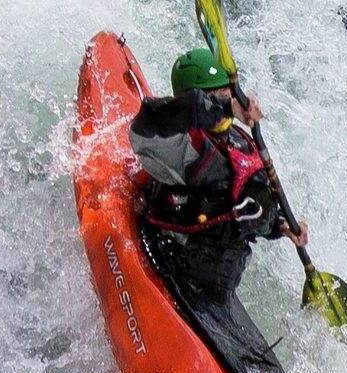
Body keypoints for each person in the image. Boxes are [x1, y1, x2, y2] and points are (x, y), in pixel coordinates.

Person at [129, 46, 304, 314]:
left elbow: (244, 209)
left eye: (228, 95)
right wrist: (225, 106)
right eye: (215, 100)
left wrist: (280, 226)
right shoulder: (180, 143)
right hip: (172, 263)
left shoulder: (241, 141)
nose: (224, 106)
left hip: (218, 285)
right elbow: (150, 121)